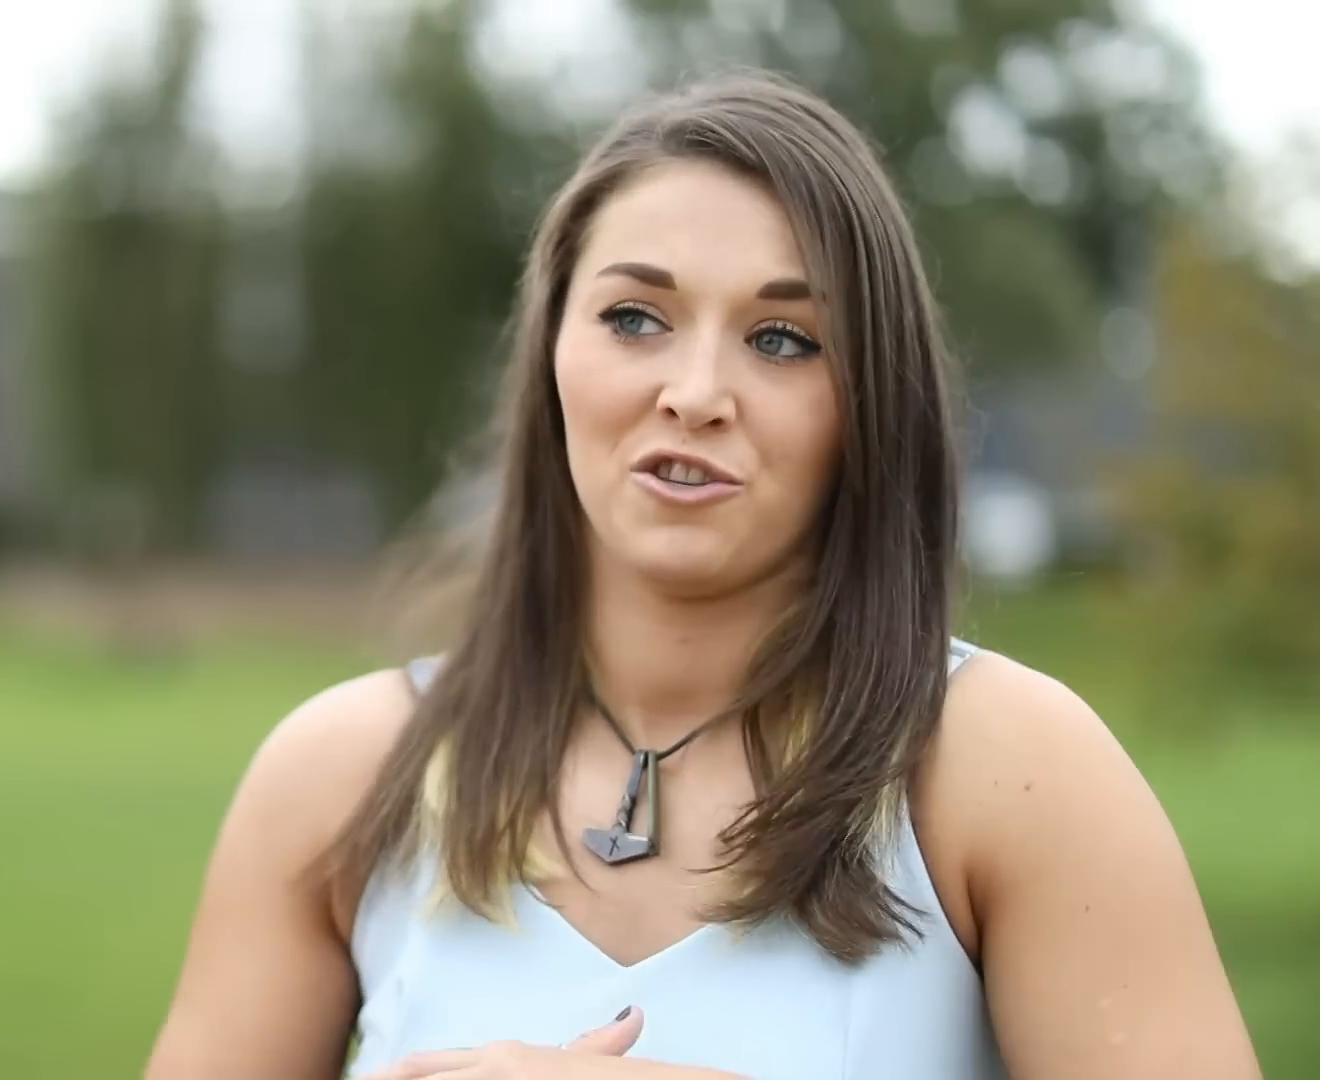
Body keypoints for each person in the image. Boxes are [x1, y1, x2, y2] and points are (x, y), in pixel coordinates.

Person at [144, 71, 1261, 1080]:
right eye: (635, 318)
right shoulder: (341, 778)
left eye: (782, 339)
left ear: (871, 401)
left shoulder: (1007, 771)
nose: (694, 393)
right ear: (551, 355)